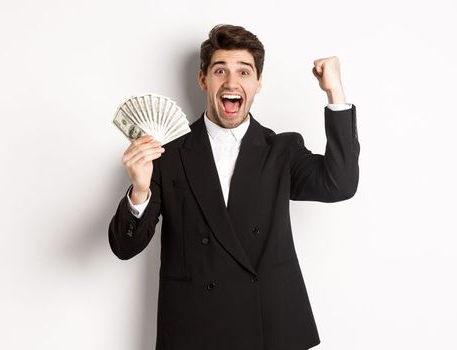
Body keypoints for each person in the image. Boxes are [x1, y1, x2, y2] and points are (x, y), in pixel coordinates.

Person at [108, 24, 360, 350]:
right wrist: (139, 191)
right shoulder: (167, 154)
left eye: (244, 72)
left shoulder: (281, 151)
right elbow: (123, 247)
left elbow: (340, 184)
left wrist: (335, 92)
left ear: (258, 83)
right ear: (203, 80)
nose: (231, 82)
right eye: (220, 71)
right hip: (194, 329)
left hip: (267, 328)